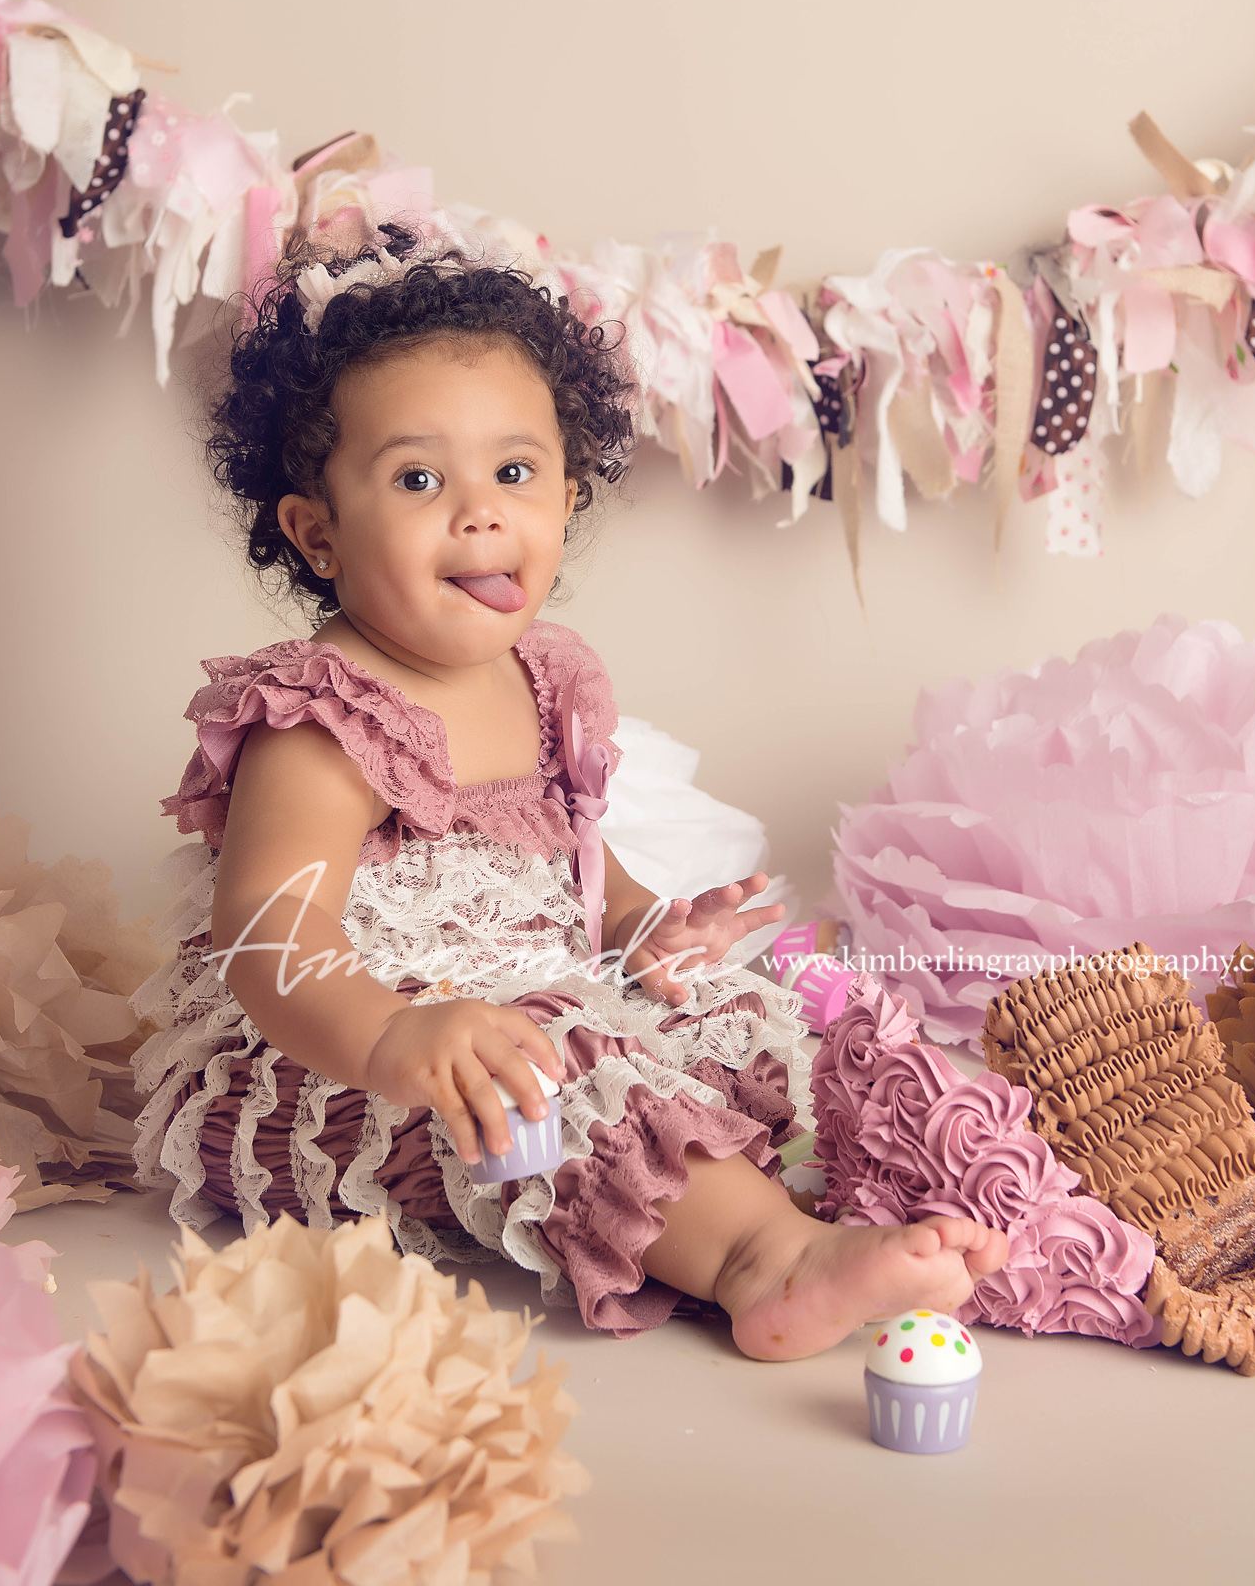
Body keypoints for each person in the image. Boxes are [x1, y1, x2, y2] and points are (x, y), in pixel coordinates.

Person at [131, 220, 1007, 1355]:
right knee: (555, 1060)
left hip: (522, 999)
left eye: (513, 470)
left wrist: (647, 926)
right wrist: (395, 1035)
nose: (480, 509)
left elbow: (574, 861)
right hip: (350, 1062)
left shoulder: (542, 680)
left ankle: (852, 1196)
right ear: (318, 535)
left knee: (736, 1007)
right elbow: (268, 933)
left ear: (563, 491)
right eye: (415, 477)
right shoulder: (322, 716)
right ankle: (766, 1263)